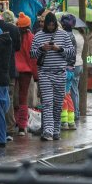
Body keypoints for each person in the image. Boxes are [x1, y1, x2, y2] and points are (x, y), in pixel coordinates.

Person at [30, 13, 75, 141]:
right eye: (48, 25)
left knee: (58, 103)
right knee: (48, 103)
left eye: (52, 25)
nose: (50, 27)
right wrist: (41, 48)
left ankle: (56, 130)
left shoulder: (64, 35)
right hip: (44, 73)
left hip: (60, 73)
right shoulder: (38, 35)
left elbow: (71, 53)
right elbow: (32, 54)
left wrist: (59, 49)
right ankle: (48, 131)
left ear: (55, 24)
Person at [12, 14, 36, 135]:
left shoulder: (13, 36)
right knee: (23, 97)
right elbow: (33, 58)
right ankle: (22, 126)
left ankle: (12, 121)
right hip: (26, 72)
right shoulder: (31, 37)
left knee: (11, 96)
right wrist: (36, 75)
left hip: (14, 69)